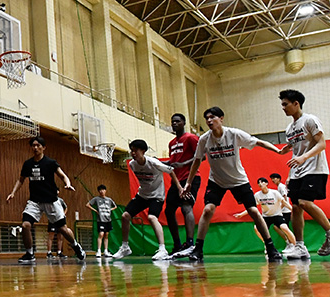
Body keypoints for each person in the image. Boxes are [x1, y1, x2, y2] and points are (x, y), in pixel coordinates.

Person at [173, 107, 283, 262]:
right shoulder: (204, 139)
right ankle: (198, 249)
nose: (209, 121)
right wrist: (188, 183)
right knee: (207, 210)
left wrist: (277, 151)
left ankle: (271, 247)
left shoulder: (234, 134)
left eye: (212, 117)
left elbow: (258, 142)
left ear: (221, 118)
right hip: (217, 180)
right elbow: (197, 160)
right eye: (207, 118)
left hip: (238, 180)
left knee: (253, 210)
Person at [278, 89, 330, 258]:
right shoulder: (289, 128)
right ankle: (300, 246)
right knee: (295, 207)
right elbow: (295, 151)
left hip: (314, 168)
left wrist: (304, 157)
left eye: (285, 104)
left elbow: (321, 144)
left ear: (296, 103)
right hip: (297, 172)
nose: (283, 107)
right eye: (282, 104)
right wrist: (289, 174)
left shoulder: (310, 120)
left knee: (304, 202)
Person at [6, 136, 86, 264]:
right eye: (33, 145)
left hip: (51, 201)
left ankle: (76, 246)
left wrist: (67, 183)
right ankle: (30, 253)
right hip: (35, 201)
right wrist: (13, 192)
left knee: (63, 229)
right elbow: (20, 180)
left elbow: (62, 175)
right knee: (25, 225)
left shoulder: (50, 163)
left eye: (38, 145)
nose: (35, 148)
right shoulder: (28, 164)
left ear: (44, 147)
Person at [112, 139, 183, 261]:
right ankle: (125, 247)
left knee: (152, 217)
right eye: (131, 151)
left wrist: (180, 188)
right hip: (143, 195)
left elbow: (170, 171)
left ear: (143, 151)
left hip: (157, 196)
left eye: (135, 151)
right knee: (125, 216)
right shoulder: (132, 164)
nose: (133, 153)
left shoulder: (153, 163)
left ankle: (162, 249)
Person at [163, 113, 200, 256]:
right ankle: (177, 244)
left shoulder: (190, 138)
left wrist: (183, 164)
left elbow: (201, 157)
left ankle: (190, 243)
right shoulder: (172, 143)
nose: (174, 124)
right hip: (176, 181)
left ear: (184, 123)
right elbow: (172, 162)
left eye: (177, 121)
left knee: (186, 207)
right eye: (172, 122)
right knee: (168, 211)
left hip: (190, 178)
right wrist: (155, 162)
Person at [232, 178, 295, 254]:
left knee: (284, 227)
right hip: (266, 216)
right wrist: (241, 214)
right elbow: (252, 207)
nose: (260, 184)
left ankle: (295, 246)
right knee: (256, 228)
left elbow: (284, 202)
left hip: (277, 215)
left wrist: (292, 210)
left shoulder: (274, 193)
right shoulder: (258, 195)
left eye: (262, 182)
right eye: (258, 183)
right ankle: (267, 244)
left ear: (266, 183)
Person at [88, 185, 117, 258]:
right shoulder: (96, 199)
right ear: (98, 191)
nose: (102, 191)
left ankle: (106, 251)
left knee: (106, 235)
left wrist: (110, 210)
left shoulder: (109, 199)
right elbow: (88, 205)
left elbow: (115, 206)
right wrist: (95, 211)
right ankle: (98, 251)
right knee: (101, 234)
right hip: (100, 220)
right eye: (100, 190)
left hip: (108, 219)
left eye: (103, 190)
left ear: (105, 190)